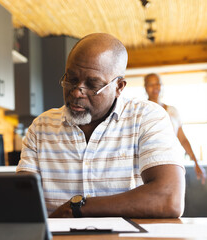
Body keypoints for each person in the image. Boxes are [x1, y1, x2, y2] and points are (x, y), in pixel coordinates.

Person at [17, 33, 185, 219]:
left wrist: (76, 208)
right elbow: (23, 203)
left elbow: (169, 198)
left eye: (92, 84)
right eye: (71, 79)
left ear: (119, 87)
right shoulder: (41, 128)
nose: (76, 92)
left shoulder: (147, 118)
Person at [144, 73, 206, 184]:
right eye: (150, 84)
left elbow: (182, 139)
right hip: (149, 164)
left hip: (172, 162)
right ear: (145, 87)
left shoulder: (173, 111)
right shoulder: (142, 110)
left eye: (158, 83)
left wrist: (196, 162)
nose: (155, 87)